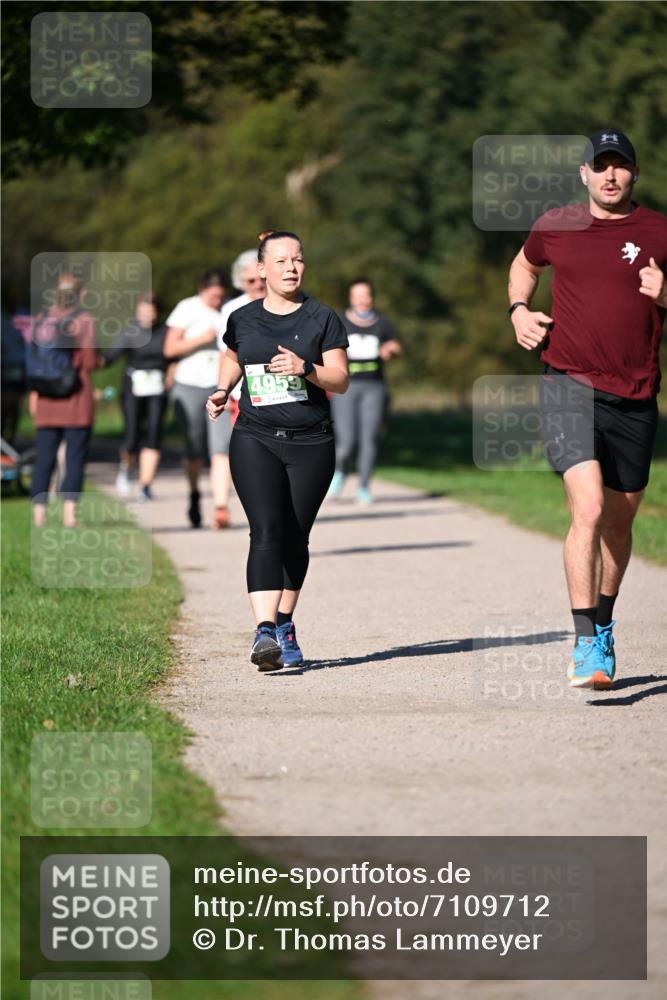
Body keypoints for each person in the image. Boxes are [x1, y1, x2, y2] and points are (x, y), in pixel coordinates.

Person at [508, 129, 667, 689]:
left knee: (619, 527)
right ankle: (585, 642)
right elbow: (524, 266)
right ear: (583, 174)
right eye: (599, 166)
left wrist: (665, 293)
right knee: (591, 509)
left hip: (637, 396)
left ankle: (603, 622)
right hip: (567, 383)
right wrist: (519, 311)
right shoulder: (557, 225)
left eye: (619, 166)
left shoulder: (659, 232)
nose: (610, 175)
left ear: (633, 173)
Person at [206, 230, 349, 670]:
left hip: (311, 443)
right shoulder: (243, 318)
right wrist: (221, 388)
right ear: (261, 270)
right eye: (282, 260)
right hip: (255, 436)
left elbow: (340, 380)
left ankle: (285, 622)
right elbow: (233, 355)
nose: (291, 267)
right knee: (266, 530)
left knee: (295, 536)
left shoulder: (322, 318)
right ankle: (264, 632)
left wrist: (307, 368)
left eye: (298, 260)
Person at [29, 274, 100, 528]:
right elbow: (90, 361)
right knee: (75, 458)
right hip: (76, 398)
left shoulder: (40, 320)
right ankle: (69, 515)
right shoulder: (84, 320)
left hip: (46, 398)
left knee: (44, 458)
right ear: (79, 293)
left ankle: (39, 516)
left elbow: (35, 361)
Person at [164, 270, 231, 529]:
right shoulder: (186, 308)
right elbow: (169, 349)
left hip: (218, 387)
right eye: (213, 296)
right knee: (194, 448)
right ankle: (194, 494)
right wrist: (203, 339)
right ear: (202, 289)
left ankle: (220, 507)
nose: (217, 300)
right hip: (189, 384)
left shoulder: (227, 311)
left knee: (221, 447)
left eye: (221, 296)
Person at [328, 278, 401, 503]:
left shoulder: (383, 323)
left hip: (374, 387)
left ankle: (364, 487)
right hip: (346, 387)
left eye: (365, 295)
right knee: (346, 441)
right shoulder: (339, 321)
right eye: (357, 295)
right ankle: (339, 471)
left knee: (369, 439)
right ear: (350, 298)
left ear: (371, 297)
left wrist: (391, 350)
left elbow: (396, 346)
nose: (361, 300)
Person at [104, 293, 168, 500]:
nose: (147, 315)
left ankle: (145, 484)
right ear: (137, 312)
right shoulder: (130, 333)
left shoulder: (165, 332)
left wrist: (172, 374)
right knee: (132, 435)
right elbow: (110, 357)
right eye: (143, 310)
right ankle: (127, 467)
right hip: (133, 389)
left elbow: (175, 356)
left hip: (157, 389)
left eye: (151, 310)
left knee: (154, 433)